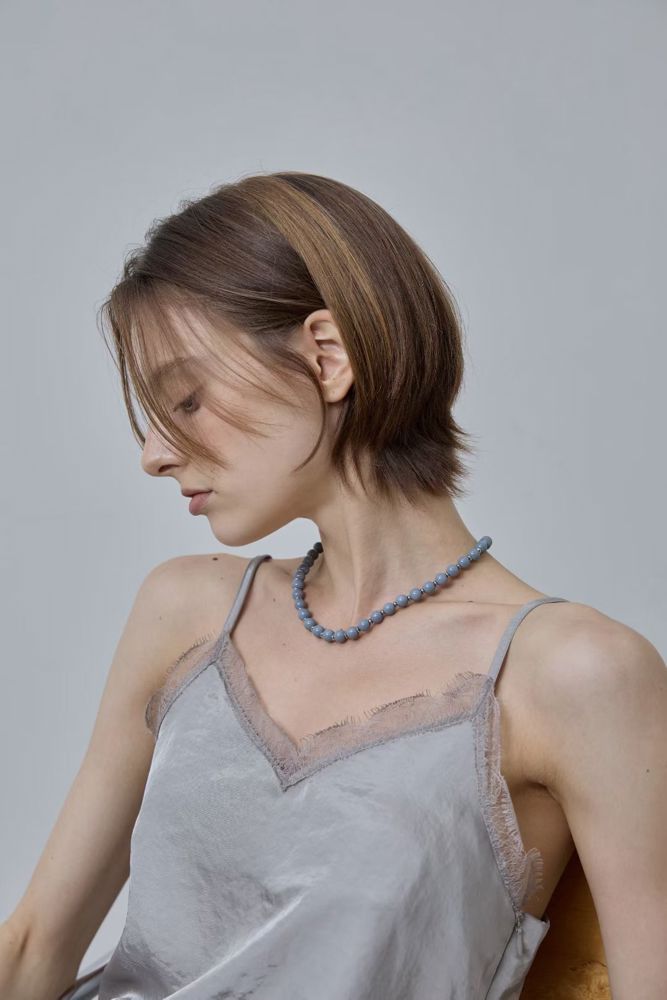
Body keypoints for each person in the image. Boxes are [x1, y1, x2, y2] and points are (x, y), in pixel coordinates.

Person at [1, 171, 665, 999]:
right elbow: (33, 947)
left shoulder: (574, 675)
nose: (154, 454)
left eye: (186, 399)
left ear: (328, 355)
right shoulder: (187, 612)